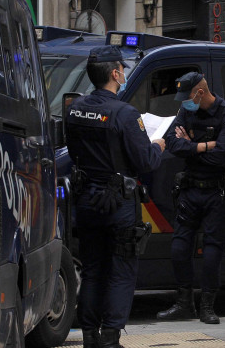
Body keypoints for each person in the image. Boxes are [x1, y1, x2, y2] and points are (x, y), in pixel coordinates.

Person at [65, 45, 166, 348]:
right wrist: (159, 145)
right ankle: (110, 338)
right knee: (122, 270)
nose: (123, 72)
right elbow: (145, 161)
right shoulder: (125, 113)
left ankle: (89, 337)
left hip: (87, 200)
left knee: (93, 269)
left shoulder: (74, 109)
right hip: (118, 203)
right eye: (122, 67)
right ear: (115, 73)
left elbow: (73, 153)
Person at [157, 72, 225, 324]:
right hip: (190, 190)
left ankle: (207, 306)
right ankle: (184, 304)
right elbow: (171, 143)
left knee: (213, 250)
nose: (184, 103)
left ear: (200, 93)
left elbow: (222, 157)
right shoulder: (186, 112)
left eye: (188, 97)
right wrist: (206, 145)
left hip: (218, 191)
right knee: (179, 247)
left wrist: (191, 145)